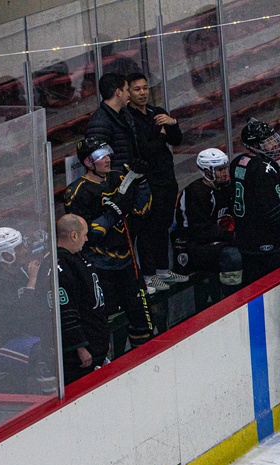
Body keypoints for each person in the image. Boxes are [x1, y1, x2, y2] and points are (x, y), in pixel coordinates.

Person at [65, 135, 154, 351]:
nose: (106, 159)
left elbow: (143, 209)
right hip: (100, 269)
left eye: (107, 153)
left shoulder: (119, 178)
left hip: (127, 264)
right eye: (99, 155)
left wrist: (140, 181)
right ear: (87, 162)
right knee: (105, 325)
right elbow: (88, 235)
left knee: (143, 322)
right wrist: (115, 210)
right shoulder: (76, 192)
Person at [126, 72, 187, 292]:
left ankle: (162, 269)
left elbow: (177, 139)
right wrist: (160, 137)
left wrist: (172, 123)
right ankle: (149, 275)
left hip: (167, 178)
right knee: (148, 229)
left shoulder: (157, 112)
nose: (142, 93)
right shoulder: (130, 118)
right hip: (148, 181)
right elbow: (147, 149)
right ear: (128, 92)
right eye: (137, 89)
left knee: (164, 225)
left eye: (145, 88)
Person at [0, 227, 55, 392]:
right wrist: (32, 280)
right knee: (40, 353)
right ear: (5, 255)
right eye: (18, 248)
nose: (24, 251)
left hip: (17, 336)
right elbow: (19, 316)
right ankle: (51, 398)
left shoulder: (16, 271)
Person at [230, 118, 280, 285]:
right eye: (268, 142)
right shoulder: (265, 169)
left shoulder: (237, 163)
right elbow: (273, 211)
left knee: (251, 287)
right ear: (255, 145)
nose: (274, 145)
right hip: (269, 244)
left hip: (245, 241)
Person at [173, 148, 243, 296]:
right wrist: (231, 237)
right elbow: (199, 231)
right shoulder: (195, 193)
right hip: (194, 246)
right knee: (232, 255)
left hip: (216, 242)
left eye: (225, 168)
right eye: (219, 169)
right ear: (207, 171)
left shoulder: (225, 188)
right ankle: (233, 299)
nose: (225, 172)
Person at [55, 214, 108, 384]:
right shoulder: (60, 266)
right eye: (84, 234)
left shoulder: (76, 257)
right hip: (81, 357)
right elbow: (65, 311)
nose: (86, 239)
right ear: (73, 235)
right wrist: (80, 347)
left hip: (95, 345)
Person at [85, 73, 140, 172]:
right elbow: (97, 160)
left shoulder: (125, 115)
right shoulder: (100, 122)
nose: (129, 94)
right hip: (116, 183)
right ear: (118, 92)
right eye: (127, 90)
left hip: (131, 179)